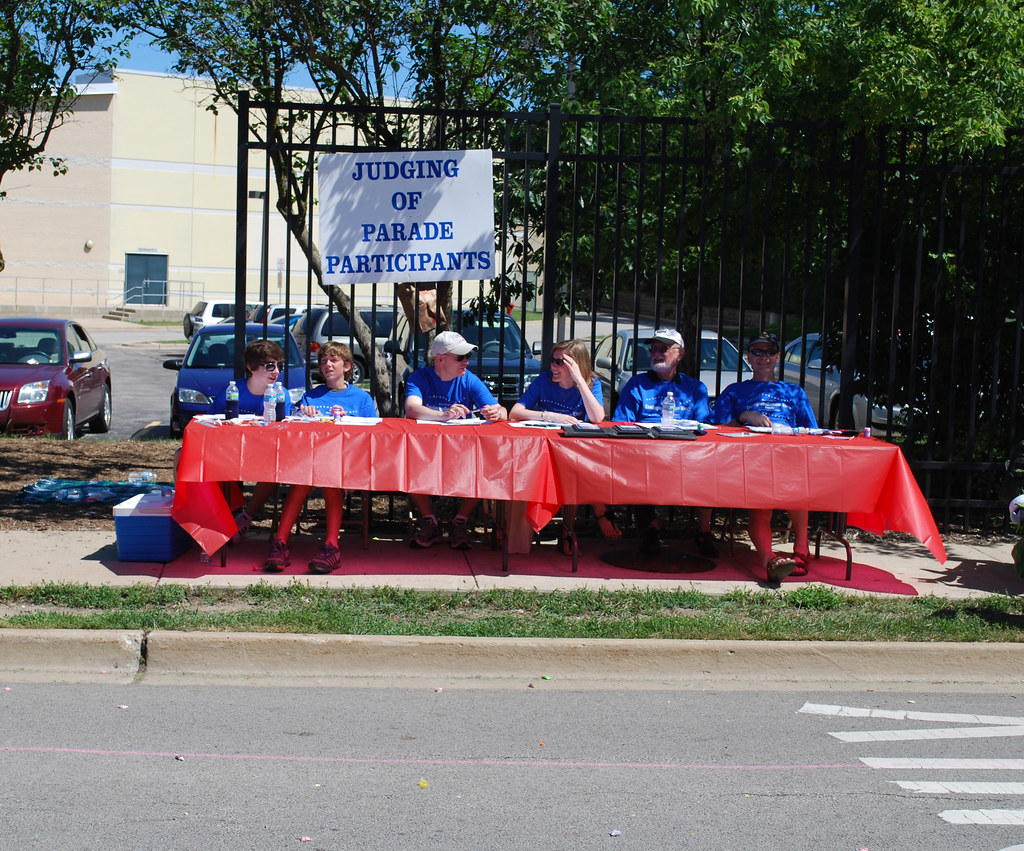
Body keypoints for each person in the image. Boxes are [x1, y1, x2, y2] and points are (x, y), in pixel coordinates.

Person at [710, 331, 819, 583]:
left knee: (797, 486)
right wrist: (744, 416)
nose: (763, 357)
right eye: (757, 352)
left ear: (778, 357)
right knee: (762, 506)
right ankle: (769, 558)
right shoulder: (735, 391)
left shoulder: (794, 392)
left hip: (789, 458)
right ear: (749, 357)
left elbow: (810, 432)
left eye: (769, 352)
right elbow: (714, 430)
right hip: (751, 461)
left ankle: (801, 546)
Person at [263, 342, 377, 573]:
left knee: (329, 476)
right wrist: (302, 414)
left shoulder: (361, 399)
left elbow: (372, 433)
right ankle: (280, 544)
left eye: (333, 360)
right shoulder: (311, 396)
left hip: (347, 461)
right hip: (312, 459)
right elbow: (292, 427)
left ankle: (331, 546)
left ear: (347, 366)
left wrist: (348, 420)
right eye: (324, 360)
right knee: (302, 481)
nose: (327, 365)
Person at [612, 328, 717, 557]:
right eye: (654, 349)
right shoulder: (636, 384)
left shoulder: (695, 388)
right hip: (646, 455)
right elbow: (622, 424)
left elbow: (702, 427)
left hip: (686, 456)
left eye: (664, 349)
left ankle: (704, 531)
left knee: (711, 466)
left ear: (680, 354)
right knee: (640, 468)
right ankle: (650, 530)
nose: (657, 353)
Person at [404, 330, 508, 549]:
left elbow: (502, 411)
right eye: (460, 357)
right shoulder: (419, 377)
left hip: (463, 453)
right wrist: (443, 415)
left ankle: (460, 522)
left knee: (485, 468)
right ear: (440, 359)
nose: (466, 361)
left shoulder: (469, 379)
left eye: (467, 356)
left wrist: (497, 414)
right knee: (408, 466)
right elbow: (412, 408)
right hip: (426, 452)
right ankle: (429, 521)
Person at [510, 338, 620, 541]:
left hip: (574, 451)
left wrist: (579, 380)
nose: (553, 366)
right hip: (545, 450)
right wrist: (549, 415)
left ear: (576, 364)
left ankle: (568, 530)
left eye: (561, 362)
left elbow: (597, 417)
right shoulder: (544, 380)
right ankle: (579, 521)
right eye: (553, 360)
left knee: (574, 473)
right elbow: (515, 412)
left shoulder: (591, 383)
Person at [211, 339, 292, 540]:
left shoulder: (282, 394)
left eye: (279, 366)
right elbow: (209, 423)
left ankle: (245, 517)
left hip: (265, 454)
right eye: (270, 365)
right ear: (251, 367)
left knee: (276, 466)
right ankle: (220, 518)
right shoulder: (231, 392)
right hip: (231, 454)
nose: (276, 371)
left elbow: (283, 431)